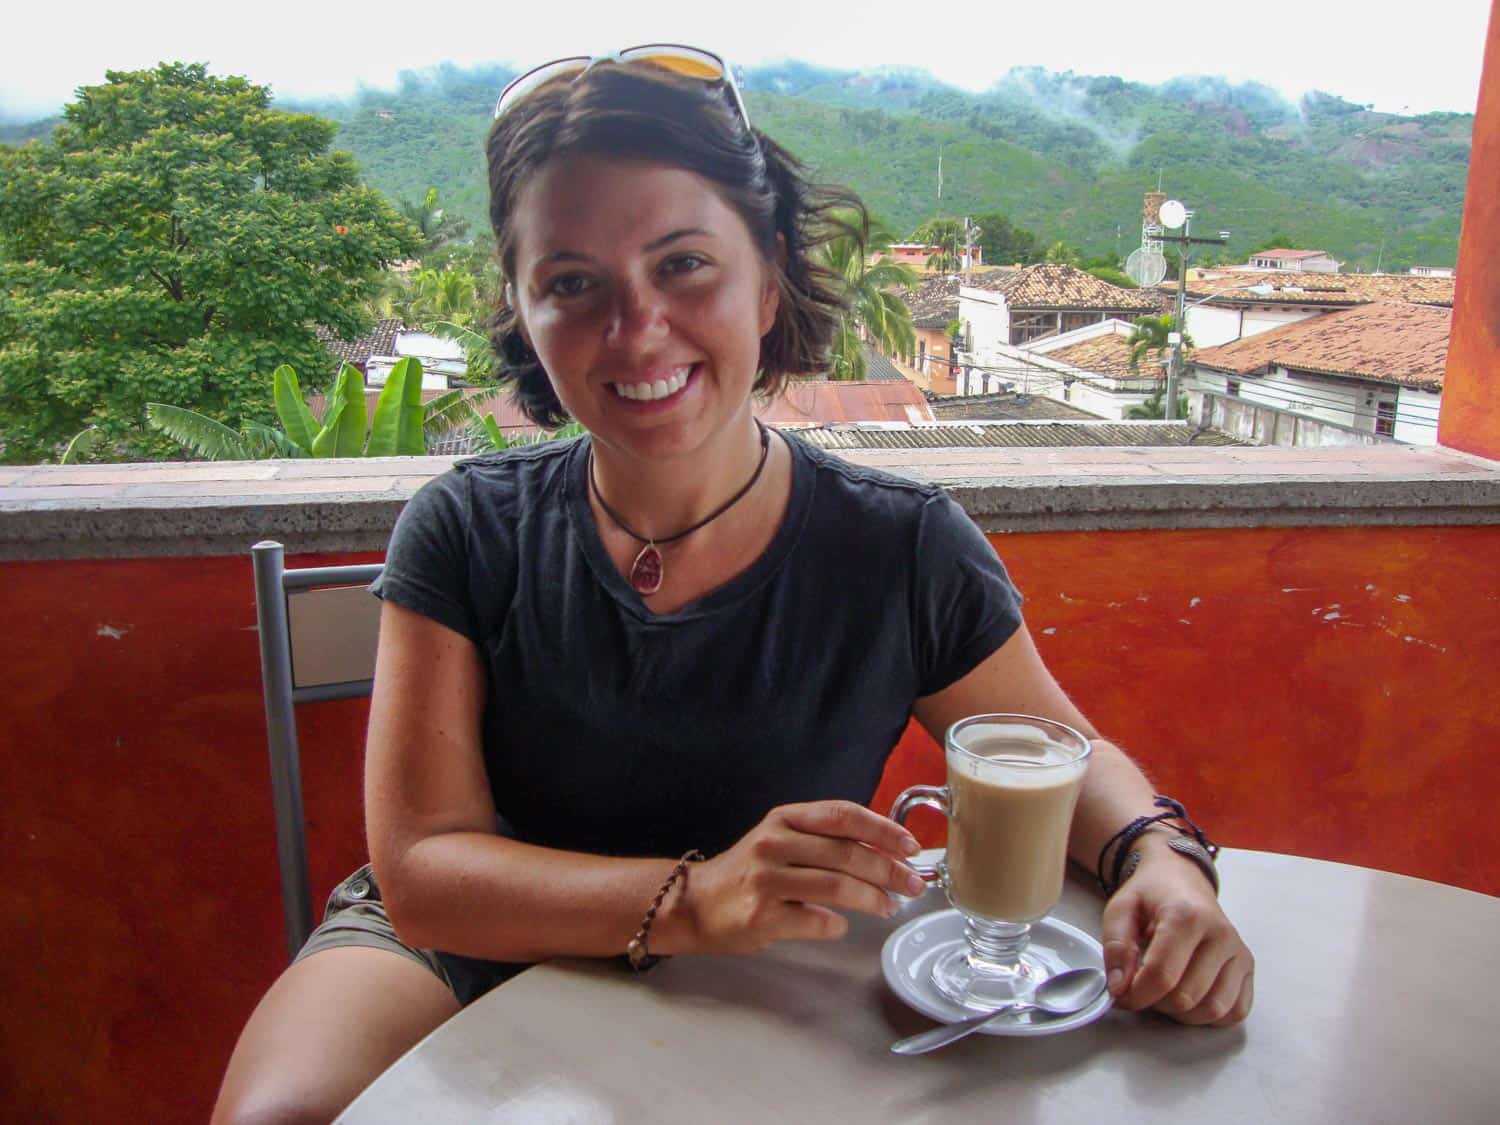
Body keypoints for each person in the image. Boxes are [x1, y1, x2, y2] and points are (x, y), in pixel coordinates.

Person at [212, 46, 1253, 1124]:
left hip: (755, 974)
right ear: (523, 312)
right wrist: (697, 899)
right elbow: (424, 869)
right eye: (573, 284)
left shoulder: (901, 548)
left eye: (684, 265)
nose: (637, 329)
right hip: (465, 949)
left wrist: (1162, 863)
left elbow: (1053, 758)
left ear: (769, 277)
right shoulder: (468, 527)